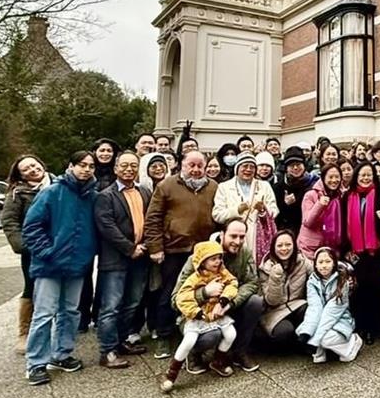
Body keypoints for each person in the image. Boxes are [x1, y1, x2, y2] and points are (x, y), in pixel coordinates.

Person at [20, 151, 99, 386]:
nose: (86, 169)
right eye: (82, 165)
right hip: (49, 266)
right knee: (44, 313)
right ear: (71, 166)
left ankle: (61, 354)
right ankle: (35, 363)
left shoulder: (92, 197)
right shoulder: (52, 192)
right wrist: (47, 252)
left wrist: (88, 254)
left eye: (91, 166)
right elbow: (32, 226)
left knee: (70, 311)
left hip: (77, 265)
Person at [144, 151, 218, 359]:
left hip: (202, 251)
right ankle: (163, 335)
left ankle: (195, 332)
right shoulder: (167, 185)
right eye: (191, 165)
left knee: (200, 293)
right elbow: (153, 218)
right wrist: (155, 247)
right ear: (182, 166)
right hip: (174, 249)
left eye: (199, 166)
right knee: (169, 292)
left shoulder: (212, 186)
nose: (195, 170)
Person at [173, 219, 263, 374]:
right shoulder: (197, 258)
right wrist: (205, 293)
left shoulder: (245, 254)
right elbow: (175, 299)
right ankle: (194, 354)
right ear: (222, 234)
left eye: (242, 237)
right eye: (233, 236)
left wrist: (227, 303)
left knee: (255, 302)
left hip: (226, 307)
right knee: (211, 336)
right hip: (198, 314)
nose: (238, 241)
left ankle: (237, 352)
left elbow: (252, 283)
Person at [93, 151, 151, 369]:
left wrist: (144, 246)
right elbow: (107, 227)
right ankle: (107, 350)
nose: (129, 169)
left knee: (133, 302)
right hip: (116, 259)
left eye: (133, 165)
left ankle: (122, 340)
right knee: (111, 306)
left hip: (140, 257)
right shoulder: (105, 195)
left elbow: (150, 221)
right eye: (124, 165)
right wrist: (130, 248)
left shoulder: (144, 192)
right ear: (116, 168)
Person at [159, 240, 239, 392]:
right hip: (197, 315)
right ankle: (171, 373)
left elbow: (232, 283)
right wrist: (197, 311)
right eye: (213, 258)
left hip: (216, 314)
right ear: (202, 261)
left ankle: (218, 361)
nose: (218, 261)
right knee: (189, 340)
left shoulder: (222, 272)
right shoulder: (194, 278)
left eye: (219, 258)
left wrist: (223, 300)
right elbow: (181, 298)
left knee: (231, 334)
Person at [1, 154, 53, 355]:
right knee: (31, 288)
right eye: (26, 169)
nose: (32, 169)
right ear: (20, 175)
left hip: (59, 247)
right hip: (34, 250)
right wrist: (25, 246)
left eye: (34, 165)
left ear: (41, 164)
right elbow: (10, 223)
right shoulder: (17, 194)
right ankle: (24, 332)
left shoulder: (57, 184)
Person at [344, 162, 380, 344]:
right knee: (359, 289)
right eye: (362, 174)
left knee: (375, 288)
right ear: (356, 175)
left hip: (375, 250)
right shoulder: (348, 196)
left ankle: (374, 327)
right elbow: (342, 223)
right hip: (355, 251)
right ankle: (360, 325)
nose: (365, 178)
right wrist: (346, 249)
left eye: (369, 174)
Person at [298, 247, 365, 362]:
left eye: (328, 261)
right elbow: (315, 307)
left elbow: (332, 311)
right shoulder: (311, 281)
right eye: (320, 262)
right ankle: (321, 351)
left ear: (334, 263)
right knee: (305, 330)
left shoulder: (342, 280)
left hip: (340, 318)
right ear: (315, 264)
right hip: (321, 319)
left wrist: (315, 341)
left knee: (325, 339)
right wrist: (307, 332)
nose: (324, 265)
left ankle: (352, 343)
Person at [211, 152, 278, 265]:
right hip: (233, 236)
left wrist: (263, 210)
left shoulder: (264, 186)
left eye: (252, 167)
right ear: (237, 168)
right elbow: (217, 215)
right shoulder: (224, 187)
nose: (248, 169)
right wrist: (237, 210)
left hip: (258, 236)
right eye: (245, 166)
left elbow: (274, 211)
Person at [256, 230, 313, 349]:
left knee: (309, 310)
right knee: (284, 333)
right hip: (275, 311)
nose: (284, 248)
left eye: (288, 244)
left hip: (297, 305)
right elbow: (272, 301)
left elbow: (317, 273)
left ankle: (302, 341)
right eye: (280, 245)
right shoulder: (266, 268)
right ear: (273, 248)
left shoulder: (302, 262)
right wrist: (275, 279)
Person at [298, 164, 346, 258]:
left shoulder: (341, 196)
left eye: (337, 177)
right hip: (310, 247)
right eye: (330, 177)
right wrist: (319, 205)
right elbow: (307, 222)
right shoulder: (310, 195)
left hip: (331, 247)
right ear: (323, 178)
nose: (334, 180)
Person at [277, 146, 313, 233]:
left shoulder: (312, 185)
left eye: (298, 164)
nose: (296, 168)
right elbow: (275, 216)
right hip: (286, 235)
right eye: (292, 165)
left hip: (307, 233)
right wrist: (285, 204)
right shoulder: (278, 187)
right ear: (286, 168)